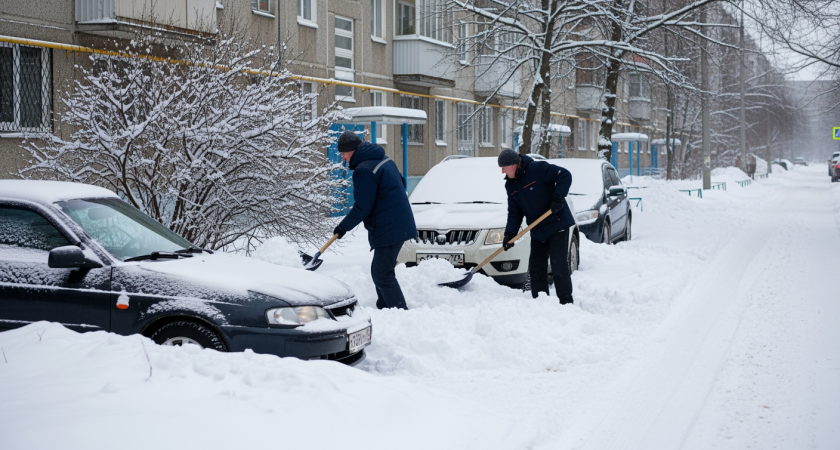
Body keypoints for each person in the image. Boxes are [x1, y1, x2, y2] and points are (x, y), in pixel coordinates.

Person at [333, 131, 417, 310]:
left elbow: (362, 207)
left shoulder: (364, 169)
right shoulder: (383, 159)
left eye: (344, 153)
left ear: (352, 150)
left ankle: (400, 312)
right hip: (398, 222)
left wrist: (342, 227)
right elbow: (401, 183)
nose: (343, 158)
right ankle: (385, 308)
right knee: (380, 271)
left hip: (389, 226)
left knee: (382, 274)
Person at [498, 149, 575, 304]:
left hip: (557, 223)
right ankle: (540, 302)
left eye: (504, 167)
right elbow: (514, 212)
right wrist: (510, 234)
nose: (502, 171)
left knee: (558, 265)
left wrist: (558, 198)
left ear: (513, 164)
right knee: (536, 268)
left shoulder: (537, 169)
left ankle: (566, 302)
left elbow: (565, 175)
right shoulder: (510, 185)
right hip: (538, 229)